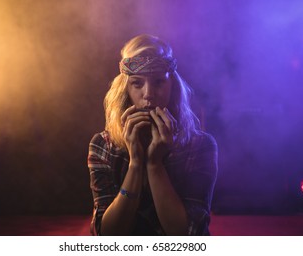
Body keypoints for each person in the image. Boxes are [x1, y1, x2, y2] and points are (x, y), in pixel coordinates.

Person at [87, 34, 218, 235]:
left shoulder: (200, 145)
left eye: (158, 82)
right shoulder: (102, 145)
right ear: (125, 90)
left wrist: (154, 164)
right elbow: (106, 234)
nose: (148, 94)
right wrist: (136, 163)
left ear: (172, 86)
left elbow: (188, 234)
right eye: (137, 84)